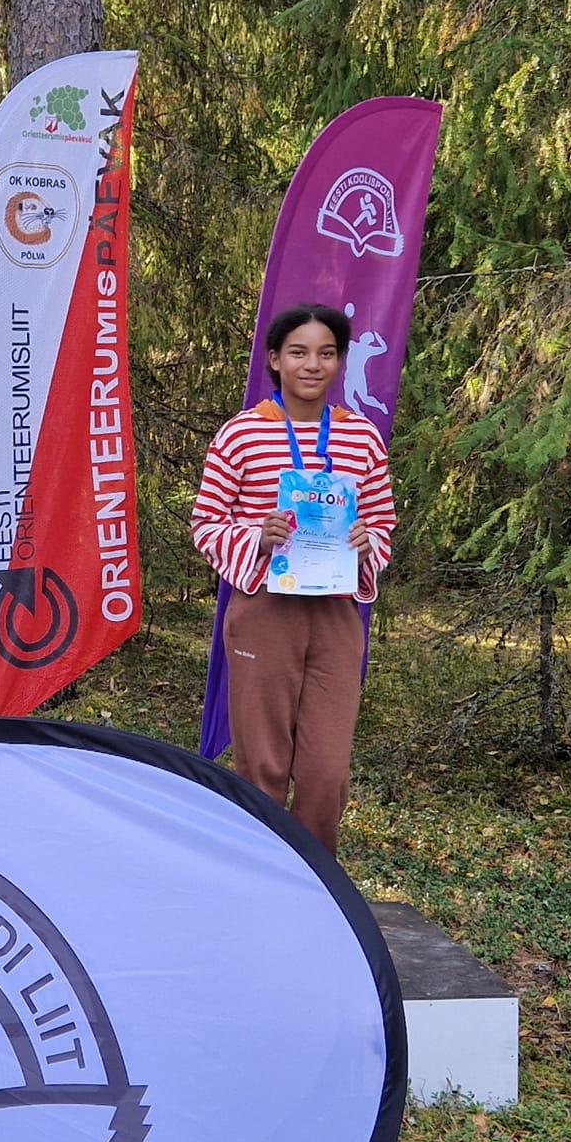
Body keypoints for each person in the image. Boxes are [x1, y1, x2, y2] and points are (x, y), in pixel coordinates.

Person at [189, 303, 396, 854]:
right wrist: (258, 536)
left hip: (335, 616)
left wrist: (367, 543)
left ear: (340, 362)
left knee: (327, 773)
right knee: (263, 766)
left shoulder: (362, 438)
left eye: (326, 353)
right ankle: (258, 876)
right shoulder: (241, 435)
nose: (312, 365)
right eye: (298, 352)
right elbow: (206, 523)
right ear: (275, 359)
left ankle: (315, 884)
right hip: (264, 611)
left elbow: (381, 522)